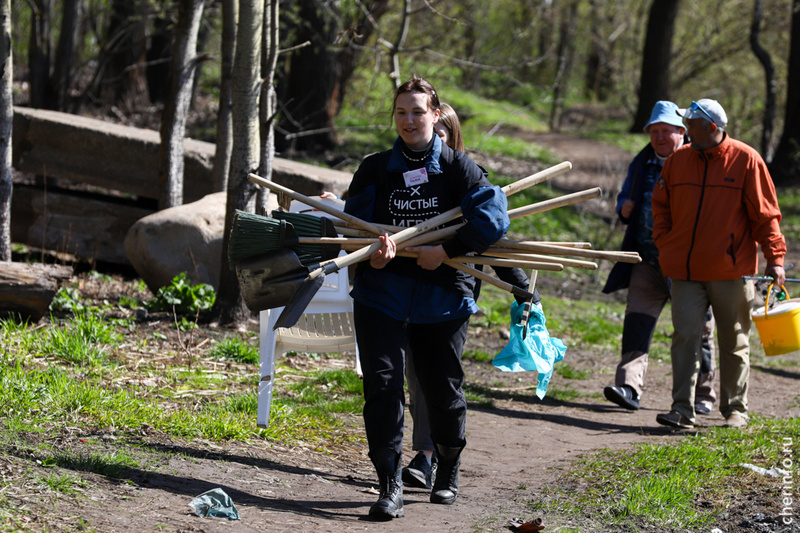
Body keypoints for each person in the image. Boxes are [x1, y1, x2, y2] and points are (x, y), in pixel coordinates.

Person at [343, 77, 512, 519]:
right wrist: (370, 254)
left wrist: (447, 251)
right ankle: (389, 484)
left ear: (436, 115)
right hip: (382, 293)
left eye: (417, 111)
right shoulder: (375, 169)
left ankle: (448, 466)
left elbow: (494, 220)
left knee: (441, 388)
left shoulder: (459, 168)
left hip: (442, 296)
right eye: (401, 112)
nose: (408, 120)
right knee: (382, 386)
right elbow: (351, 229)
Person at [401, 102, 540, 490]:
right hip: (407, 289)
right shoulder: (408, 176)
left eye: (440, 134)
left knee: (441, 379)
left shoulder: (468, 180)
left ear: (451, 136)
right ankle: (424, 454)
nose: (430, 139)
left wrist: (522, 290)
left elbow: (494, 238)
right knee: (416, 377)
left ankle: (441, 458)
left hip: (452, 292)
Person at [652, 98, 786, 430]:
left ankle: (735, 410)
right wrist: (665, 242)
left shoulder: (746, 160)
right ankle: (682, 409)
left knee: (734, 341)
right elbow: (660, 205)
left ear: (712, 127)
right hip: (685, 272)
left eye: (691, 125)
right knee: (685, 337)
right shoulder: (678, 160)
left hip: (732, 272)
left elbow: (766, 216)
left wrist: (775, 259)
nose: (685, 130)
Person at [601, 101, 718, 414]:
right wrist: (623, 206)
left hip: (687, 267)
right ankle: (629, 387)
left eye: (666, 131)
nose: (660, 137)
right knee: (636, 324)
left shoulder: (698, 160)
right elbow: (625, 194)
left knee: (696, 331)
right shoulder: (642, 161)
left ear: (682, 132)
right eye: (654, 131)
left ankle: (702, 395)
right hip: (647, 261)